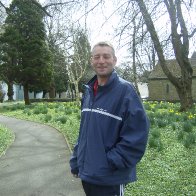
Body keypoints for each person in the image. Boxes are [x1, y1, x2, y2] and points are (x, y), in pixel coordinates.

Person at [70, 41, 149, 196]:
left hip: (109, 178)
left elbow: (138, 134)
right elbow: (85, 131)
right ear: (91, 61)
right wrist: (76, 160)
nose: (101, 61)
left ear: (114, 60)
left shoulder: (126, 92)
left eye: (106, 56)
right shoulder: (88, 92)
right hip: (88, 175)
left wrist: (112, 161)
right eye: (97, 57)